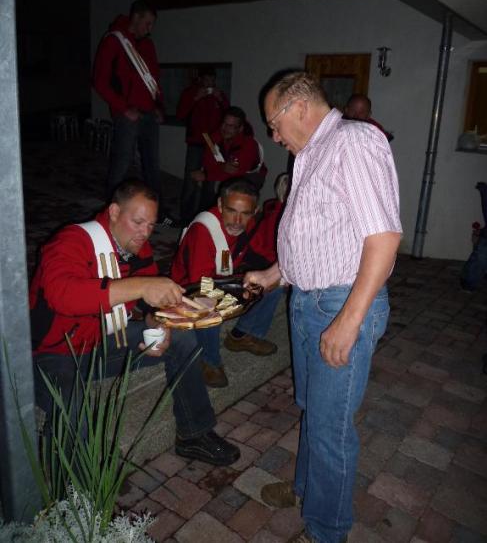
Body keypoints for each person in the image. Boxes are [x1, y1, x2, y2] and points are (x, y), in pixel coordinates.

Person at [246, 72, 402, 543]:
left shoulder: (353, 142)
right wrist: (274, 274)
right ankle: (305, 491)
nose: (273, 135)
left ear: (298, 107)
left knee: (331, 427)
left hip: (340, 302)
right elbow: (320, 234)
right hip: (307, 300)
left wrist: (349, 320)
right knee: (311, 410)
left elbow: (383, 238)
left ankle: (327, 529)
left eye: (273, 123)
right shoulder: (311, 153)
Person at [30, 179, 240, 467]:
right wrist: (141, 285)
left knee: (182, 339)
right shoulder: (71, 241)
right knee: (74, 407)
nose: (145, 233)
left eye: (151, 225)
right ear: (114, 212)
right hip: (50, 355)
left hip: (100, 343)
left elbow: (147, 305)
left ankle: (194, 434)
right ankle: (74, 491)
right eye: (138, 222)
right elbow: (62, 295)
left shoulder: (137, 248)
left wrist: (159, 324)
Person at [171, 178, 283, 388]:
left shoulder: (249, 224)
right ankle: (208, 360)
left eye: (245, 213)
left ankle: (242, 335)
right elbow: (202, 286)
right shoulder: (204, 230)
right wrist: (237, 297)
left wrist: (273, 277)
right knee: (209, 306)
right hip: (189, 290)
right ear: (220, 205)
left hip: (224, 279)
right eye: (231, 211)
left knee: (274, 284)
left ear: (255, 211)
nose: (238, 220)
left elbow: (262, 254)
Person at [92, 0, 176, 226]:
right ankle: (110, 215)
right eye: (147, 23)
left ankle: (158, 213)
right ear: (135, 17)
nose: (150, 29)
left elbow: (154, 79)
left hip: (149, 113)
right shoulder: (114, 40)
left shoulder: (147, 45)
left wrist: (159, 107)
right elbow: (100, 81)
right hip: (127, 113)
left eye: (152, 24)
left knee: (152, 166)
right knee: (121, 164)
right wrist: (122, 108)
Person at [177, 66, 229, 224]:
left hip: (213, 144)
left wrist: (220, 100)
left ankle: (206, 218)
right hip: (196, 142)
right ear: (200, 79)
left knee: (210, 179)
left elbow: (229, 117)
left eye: (212, 79)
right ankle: (185, 218)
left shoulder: (218, 95)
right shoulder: (190, 93)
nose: (209, 83)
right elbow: (180, 114)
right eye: (206, 79)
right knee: (191, 180)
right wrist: (195, 98)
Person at [194, 106, 265, 211]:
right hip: (222, 173)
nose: (225, 129)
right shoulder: (212, 139)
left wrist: (208, 175)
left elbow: (236, 172)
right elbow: (207, 163)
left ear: (240, 129)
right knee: (205, 184)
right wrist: (220, 168)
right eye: (224, 124)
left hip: (247, 178)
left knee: (234, 190)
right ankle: (206, 214)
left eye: (231, 126)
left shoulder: (249, 144)